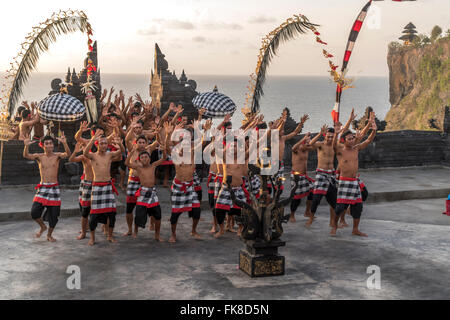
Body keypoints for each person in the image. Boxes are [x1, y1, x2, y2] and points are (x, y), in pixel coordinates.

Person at [331, 116, 377, 237]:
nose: (351, 140)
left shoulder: (356, 149)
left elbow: (367, 141)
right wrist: (336, 133)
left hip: (354, 181)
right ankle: (334, 226)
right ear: (344, 140)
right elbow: (334, 146)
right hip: (344, 182)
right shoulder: (340, 151)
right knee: (340, 207)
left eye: (352, 138)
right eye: (349, 139)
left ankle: (355, 229)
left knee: (358, 207)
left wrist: (374, 130)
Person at [23, 133, 71, 242]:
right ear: (42, 145)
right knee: (34, 212)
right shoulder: (39, 157)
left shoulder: (57, 156)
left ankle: (49, 234)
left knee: (54, 215)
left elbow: (68, 154)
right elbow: (26, 155)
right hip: (43, 187)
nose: (48, 145)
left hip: (54, 188)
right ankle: (42, 227)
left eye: (50, 143)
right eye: (46, 143)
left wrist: (64, 143)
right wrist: (26, 146)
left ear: (53, 145)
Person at [83, 131, 124, 245]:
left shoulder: (109, 155)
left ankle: (110, 236)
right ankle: (92, 238)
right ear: (97, 144)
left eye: (105, 143)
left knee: (111, 214)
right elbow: (85, 152)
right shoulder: (93, 156)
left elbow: (122, 152)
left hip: (107, 186)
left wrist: (119, 144)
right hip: (96, 187)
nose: (104, 145)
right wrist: (92, 139)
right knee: (94, 215)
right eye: (101, 143)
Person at [125, 130, 168, 240]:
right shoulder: (138, 165)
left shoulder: (153, 164)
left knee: (157, 214)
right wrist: (131, 152)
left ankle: (157, 235)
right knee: (137, 212)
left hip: (152, 191)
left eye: (146, 157)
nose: (144, 159)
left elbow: (163, 158)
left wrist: (163, 150)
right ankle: (134, 231)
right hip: (141, 189)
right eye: (142, 158)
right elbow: (126, 163)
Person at [167, 121, 203, 243]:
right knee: (175, 214)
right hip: (178, 186)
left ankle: (193, 230)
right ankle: (173, 234)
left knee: (197, 210)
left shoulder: (192, 154)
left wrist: (198, 129)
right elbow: (168, 146)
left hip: (190, 186)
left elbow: (201, 142)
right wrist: (169, 133)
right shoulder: (176, 155)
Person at [215, 141, 249, 238]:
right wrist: (227, 145)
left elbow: (251, 150)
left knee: (241, 211)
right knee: (218, 210)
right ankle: (221, 229)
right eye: (232, 146)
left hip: (238, 188)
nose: (233, 148)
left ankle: (240, 229)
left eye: (235, 146)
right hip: (226, 188)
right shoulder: (225, 159)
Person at [306, 125, 338, 227]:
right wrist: (319, 133)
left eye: (332, 137)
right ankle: (311, 219)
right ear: (325, 136)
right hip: (321, 173)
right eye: (328, 136)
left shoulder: (334, 146)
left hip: (331, 174)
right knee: (316, 198)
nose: (330, 139)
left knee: (333, 200)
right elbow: (310, 143)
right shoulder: (320, 145)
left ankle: (332, 221)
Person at [69, 141, 94, 240]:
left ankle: (104, 228)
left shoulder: (96, 156)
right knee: (83, 206)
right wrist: (75, 151)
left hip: (97, 183)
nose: (85, 147)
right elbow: (71, 159)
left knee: (96, 208)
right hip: (86, 183)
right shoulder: (84, 157)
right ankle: (85, 229)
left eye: (87, 146)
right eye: (84, 146)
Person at [289, 133, 315, 226]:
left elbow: (314, 145)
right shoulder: (297, 149)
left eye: (309, 143)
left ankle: (307, 212)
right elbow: (293, 148)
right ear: (303, 142)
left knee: (312, 192)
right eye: (307, 143)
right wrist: (304, 138)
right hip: (296, 176)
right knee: (297, 198)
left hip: (305, 176)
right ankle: (292, 215)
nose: (309, 145)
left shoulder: (307, 149)